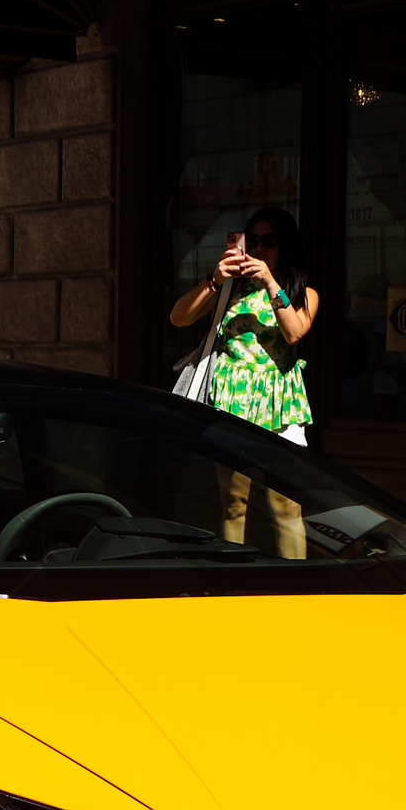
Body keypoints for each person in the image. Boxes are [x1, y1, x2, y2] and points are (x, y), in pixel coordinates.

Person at [167, 206, 318, 556]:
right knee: (235, 503)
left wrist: (269, 281)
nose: (261, 248)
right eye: (254, 241)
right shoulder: (227, 290)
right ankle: (231, 580)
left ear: (285, 246)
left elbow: (294, 333)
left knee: (286, 506)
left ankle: (295, 590)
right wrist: (216, 279)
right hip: (232, 402)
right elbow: (178, 318)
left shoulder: (303, 294)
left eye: (270, 241)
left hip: (280, 404)